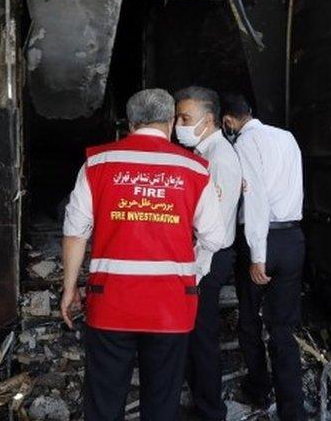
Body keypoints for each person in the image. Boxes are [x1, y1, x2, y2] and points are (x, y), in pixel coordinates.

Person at [60, 88, 225, 421]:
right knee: (162, 401)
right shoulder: (195, 168)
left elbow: (76, 231)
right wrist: (192, 270)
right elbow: (215, 236)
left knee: (104, 400)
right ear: (169, 122)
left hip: (111, 301)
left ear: (131, 122)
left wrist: (69, 288)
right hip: (171, 305)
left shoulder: (98, 162)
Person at [222, 93, 306, 421]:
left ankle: (259, 387)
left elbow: (255, 199)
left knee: (249, 322)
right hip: (293, 238)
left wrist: (258, 254)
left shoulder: (244, 144)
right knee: (283, 329)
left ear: (228, 120)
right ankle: (293, 412)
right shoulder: (286, 137)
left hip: (264, 241)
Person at [174, 86, 242, 421]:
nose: (179, 124)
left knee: (202, 338)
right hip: (200, 258)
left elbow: (214, 224)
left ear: (209, 119)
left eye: (186, 118)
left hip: (210, 260)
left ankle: (211, 411)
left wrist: (196, 269)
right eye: (178, 117)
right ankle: (201, 402)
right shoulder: (204, 154)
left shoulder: (218, 158)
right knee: (194, 336)